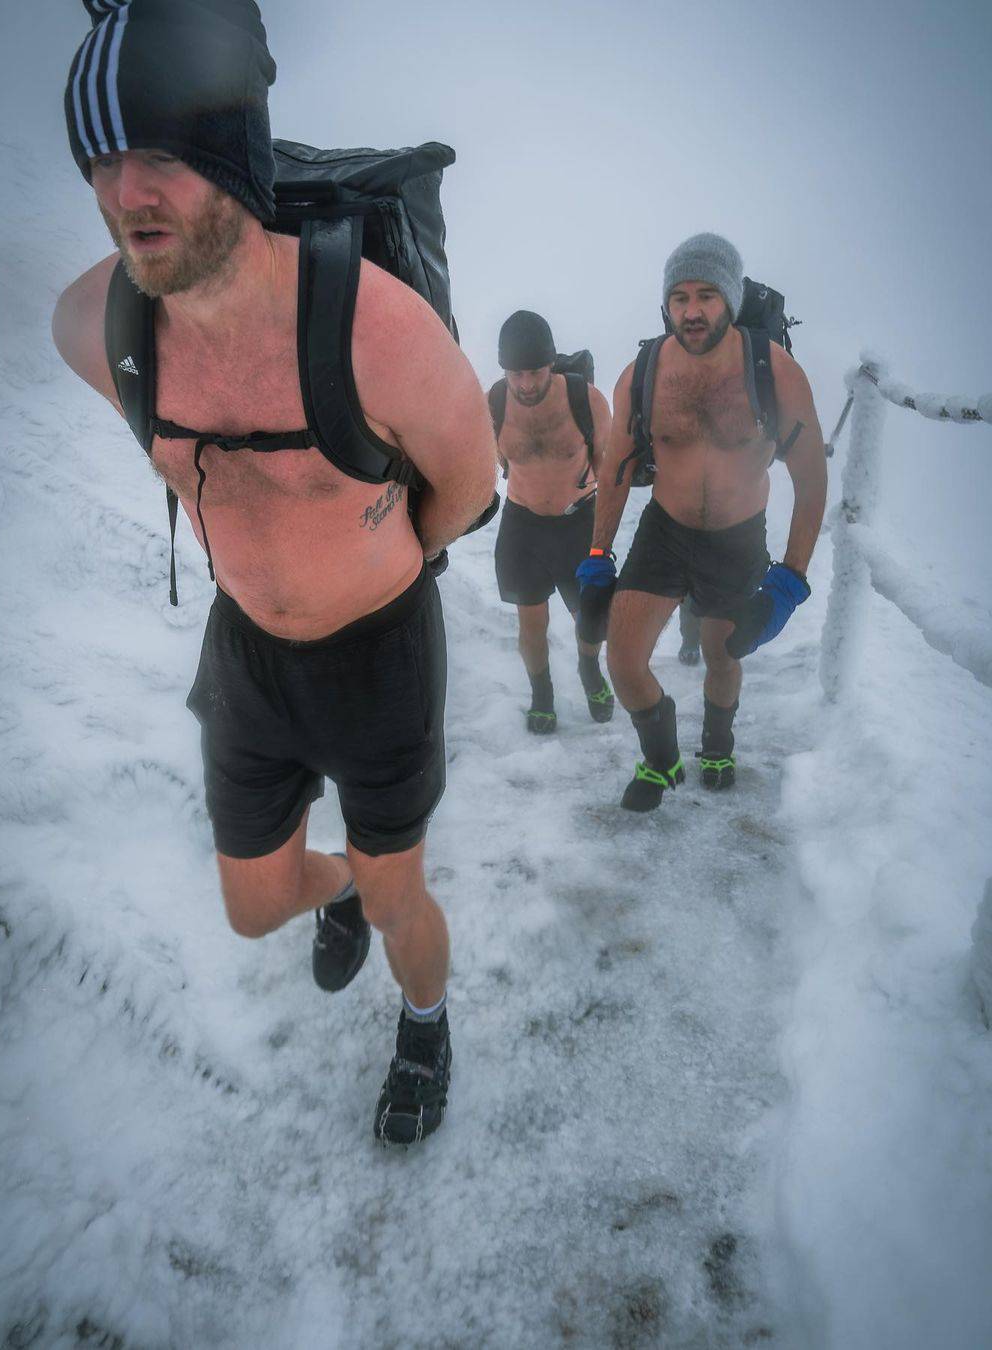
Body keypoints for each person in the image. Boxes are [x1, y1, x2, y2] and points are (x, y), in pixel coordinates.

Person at [51, 0, 496, 1143]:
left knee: (406, 898)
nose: (123, 193)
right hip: (247, 654)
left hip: (381, 652)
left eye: (159, 154)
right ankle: (337, 884)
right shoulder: (94, 326)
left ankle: (427, 1021)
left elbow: (471, 488)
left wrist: (373, 552)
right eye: (100, 159)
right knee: (256, 910)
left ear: (232, 155)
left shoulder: (377, 330)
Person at [577, 234, 827, 810]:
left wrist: (789, 581)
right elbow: (616, 468)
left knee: (723, 654)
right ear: (666, 304)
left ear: (731, 301)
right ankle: (662, 759)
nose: (691, 311)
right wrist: (597, 556)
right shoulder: (641, 373)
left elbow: (811, 480)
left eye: (708, 295)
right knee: (622, 657)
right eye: (680, 297)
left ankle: (718, 742)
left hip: (738, 538)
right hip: (665, 530)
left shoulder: (776, 373)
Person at [491, 311, 615, 733]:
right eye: (516, 374)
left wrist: (603, 541)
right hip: (522, 526)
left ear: (552, 363)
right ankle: (541, 694)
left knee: (591, 617)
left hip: (578, 522)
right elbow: (486, 465)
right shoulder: (493, 404)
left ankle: (589, 668)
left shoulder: (587, 400)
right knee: (530, 621)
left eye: (536, 372)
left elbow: (610, 475)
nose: (526, 384)